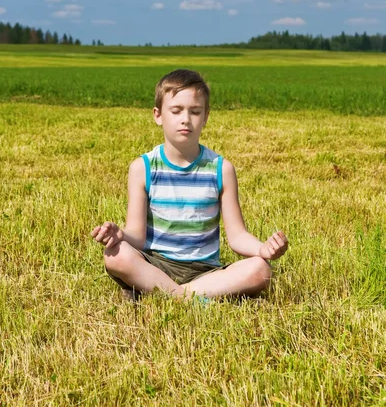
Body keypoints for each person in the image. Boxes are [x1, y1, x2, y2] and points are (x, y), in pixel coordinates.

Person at [91, 69, 288, 300]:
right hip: (156, 265)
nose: (185, 119)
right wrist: (120, 235)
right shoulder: (142, 168)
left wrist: (262, 249)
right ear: (158, 115)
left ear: (205, 116)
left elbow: (237, 236)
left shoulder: (221, 169)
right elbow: (138, 236)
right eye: (176, 111)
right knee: (116, 254)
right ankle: (190, 298)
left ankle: (166, 294)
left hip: (206, 271)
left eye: (195, 112)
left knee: (261, 270)